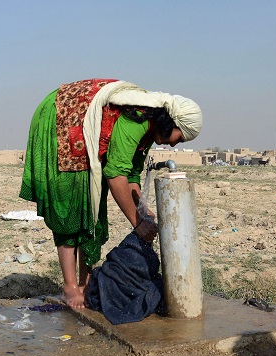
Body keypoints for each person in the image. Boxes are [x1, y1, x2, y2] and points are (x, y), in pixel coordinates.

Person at [19, 79, 202, 308]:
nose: (174, 147)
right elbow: (116, 175)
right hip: (63, 119)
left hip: (86, 131)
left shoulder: (148, 130)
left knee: (93, 208)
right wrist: (138, 223)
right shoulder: (138, 119)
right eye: (180, 138)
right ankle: (70, 288)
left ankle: (85, 284)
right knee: (72, 206)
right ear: (171, 123)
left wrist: (144, 212)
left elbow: (132, 177)